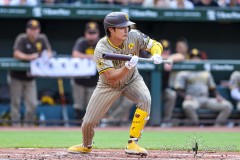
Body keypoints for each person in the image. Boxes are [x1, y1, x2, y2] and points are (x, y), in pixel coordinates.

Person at [68, 12, 163, 156]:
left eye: (127, 26)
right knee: (88, 122)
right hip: (108, 85)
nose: (126, 29)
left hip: (132, 80)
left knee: (145, 99)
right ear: (111, 29)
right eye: (122, 27)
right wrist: (127, 66)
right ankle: (86, 145)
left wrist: (156, 54)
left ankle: (133, 143)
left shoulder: (134, 35)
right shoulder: (101, 48)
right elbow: (112, 77)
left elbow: (154, 44)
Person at [174, 48, 233, 126]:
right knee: (187, 105)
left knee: (227, 106)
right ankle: (197, 126)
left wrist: (217, 96)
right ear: (189, 59)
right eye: (192, 57)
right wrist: (185, 96)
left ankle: (217, 127)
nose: (195, 59)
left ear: (201, 59)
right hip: (192, 99)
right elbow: (178, 89)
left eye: (197, 57)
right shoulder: (184, 73)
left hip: (205, 99)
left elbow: (212, 88)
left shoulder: (206, 72)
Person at [9, 19, 52, 126]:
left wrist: (46, 56)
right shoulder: (22, 38)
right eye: (31, 29)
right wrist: (30, 57)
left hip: (30, 77)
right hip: (16, 76)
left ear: (39, 30)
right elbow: (16, 53)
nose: (34, 31)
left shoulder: (42, 38)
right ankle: (16, 126)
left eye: (36, 29)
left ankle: (28, 126)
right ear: (27, 30)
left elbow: (49, 52)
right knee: (16, 103)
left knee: (32, 104)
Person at [71, 22, 100, 124]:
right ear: (85, 33)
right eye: (89, 33)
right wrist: (90, 57)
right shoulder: (81, 42)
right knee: (78, 107)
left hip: (94, 81)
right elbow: (75, 54)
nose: (91, 36)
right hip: (79, 80)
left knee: (91, 107)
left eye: (94, 33)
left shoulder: (101, 43)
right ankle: (78, 127)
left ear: (97, 33)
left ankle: (89, 127)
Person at [159, 39, 185, 127]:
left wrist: (170, 58)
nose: (165, 52)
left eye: (167, 50)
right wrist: (165, 59)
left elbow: (181, 56)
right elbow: (151, 56)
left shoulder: (171, 57)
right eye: (163, 50)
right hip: (149, 90)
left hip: (163, 90)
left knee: (171, 95)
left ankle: (166, 121)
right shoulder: (152, 56)